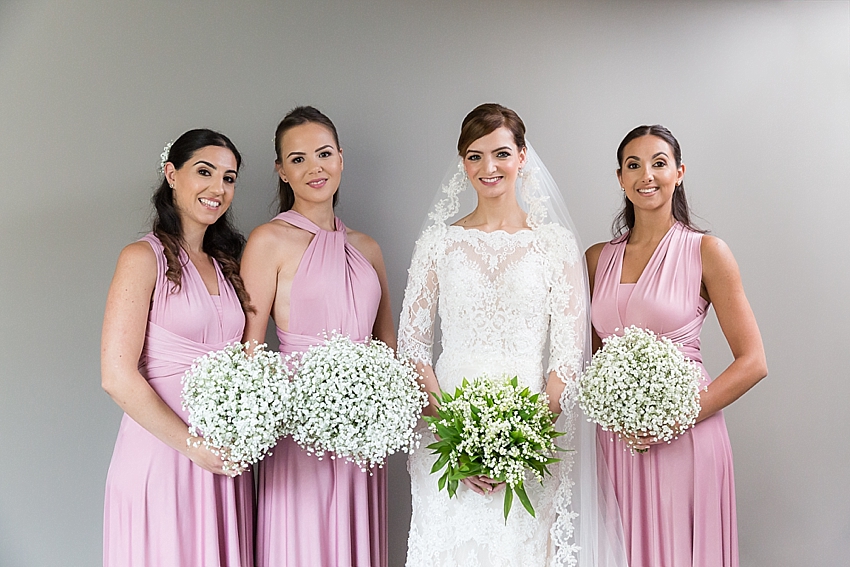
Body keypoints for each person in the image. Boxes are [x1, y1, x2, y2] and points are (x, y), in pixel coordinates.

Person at [398, 103, 628, 567]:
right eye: (475, 156)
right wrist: (455, 441)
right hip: (446, 432)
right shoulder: (438, 243)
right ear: (462, 163)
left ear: (523, 156)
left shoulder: (554, 243)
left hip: (532, 434)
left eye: (501, 153)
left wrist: (518, 445)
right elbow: (413, 348)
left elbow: (567, 358)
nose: (489, 167)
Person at [586, 124, 768, 567]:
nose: (646, 175)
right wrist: (615, 413)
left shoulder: (707, 251)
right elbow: (595, 359)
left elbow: (754, 362)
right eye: (634, 165)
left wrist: (674, 418)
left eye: (659, 163)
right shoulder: (596, 259)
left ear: (679, 172)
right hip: (618, 440)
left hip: (686, 435)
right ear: (620, 178)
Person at [240, 106, 395, 567]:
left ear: (341, 159)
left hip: (365, 429)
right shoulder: (267, 241)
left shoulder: (368, 248)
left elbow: (388, 345)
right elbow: (249, 348)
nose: (315, 168)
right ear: (281, 170)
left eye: (324, 154)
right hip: (297, 428)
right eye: (298, 158)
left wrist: (383, 409)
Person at [101, 129, 254, 566]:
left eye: (229, 178)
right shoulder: (140, 257)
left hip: (223, 458)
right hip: (164, 453)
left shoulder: (229, 264)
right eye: (204, 172)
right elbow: (116, 376)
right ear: (172, 174)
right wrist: (192, 446)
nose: (217, 188)